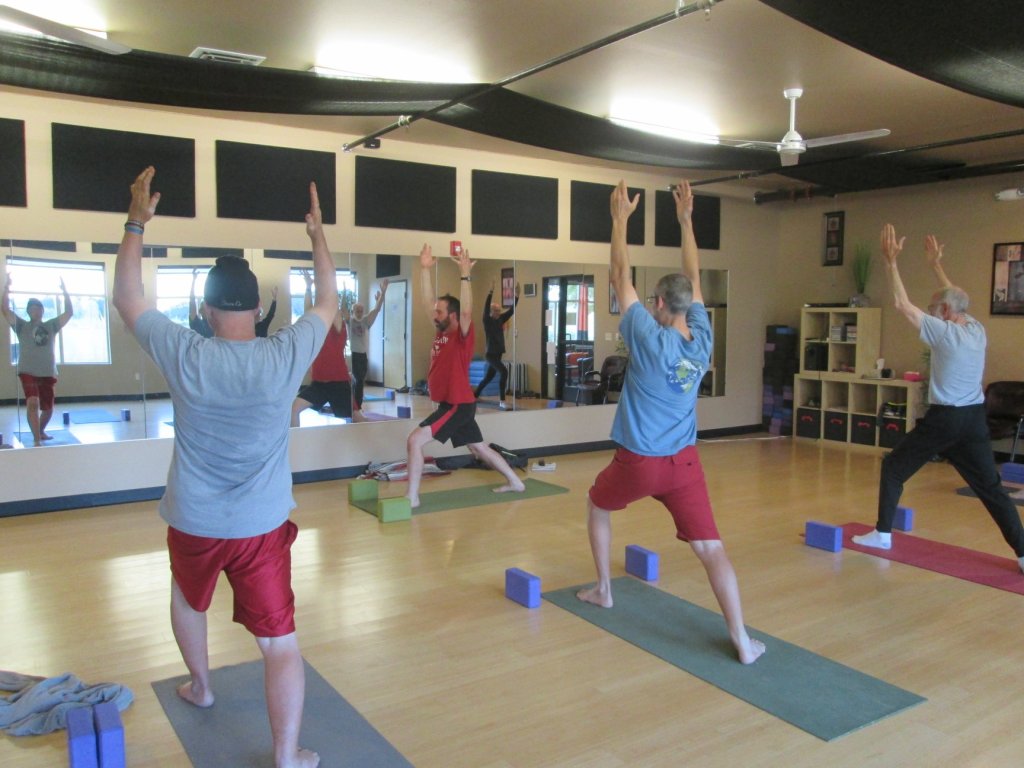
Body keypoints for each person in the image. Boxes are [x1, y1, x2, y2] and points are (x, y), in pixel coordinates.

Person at [113, 166, 336, 768]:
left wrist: (136, 220)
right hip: (260, 527)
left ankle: (202, 687)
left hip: (194, 518)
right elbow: (327, 301)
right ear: (260, 308)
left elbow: (128, 298)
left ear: (204, 309)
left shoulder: (184, 351)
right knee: (279, 645)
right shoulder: (286, 352)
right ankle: (287, 756)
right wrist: (317, 236)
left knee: (188, 599)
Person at [575, 180, 765, 666]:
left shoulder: (647, 335)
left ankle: (603, 589)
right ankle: (743, 640)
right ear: (686, 305)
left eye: (654, 300)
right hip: (684, 465)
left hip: (639, 462)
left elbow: (620, 274)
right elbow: (694, 277)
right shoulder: (702, 338)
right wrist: (685, 219)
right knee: (711, 548)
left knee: (598, 505)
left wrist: (619, 218)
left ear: (659, 304)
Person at [852, 225, 1024, 571]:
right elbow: (955, 297)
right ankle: (1023, 554)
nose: (929, 312)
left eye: (934, 308)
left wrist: (890, 263)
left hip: (946, 419)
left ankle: (883, 534)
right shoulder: (976, 329)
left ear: (944, 312)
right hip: (974, 418)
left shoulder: (944, 334)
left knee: (894, 466)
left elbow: (902, 303)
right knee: (990, 487)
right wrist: (935, 264)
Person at [405, 243, 526, 508]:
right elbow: (427, 302)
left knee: (415, 440)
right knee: (478, 447)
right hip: (457, 403)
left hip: (458, 404)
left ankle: (412, 497)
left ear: (453, 315)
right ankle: (515, 482)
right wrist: (425, 270)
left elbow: (469, 311)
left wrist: (464, 275)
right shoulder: (441, 331)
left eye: (440, 311)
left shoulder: (462, 335)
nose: (434, 314)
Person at [2, 274, 73, 446]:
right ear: (28, 311)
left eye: (39, 308)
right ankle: (35, 440)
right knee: (32, 402)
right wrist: (7, 288)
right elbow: (4, 309)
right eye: (33, 308)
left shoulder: (50, 325)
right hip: (27, 370)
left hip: (47, 371)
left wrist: (65, 292)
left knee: (47, 409)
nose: (36, 310)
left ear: (42, 311)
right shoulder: (22, 326)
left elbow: (69, 313)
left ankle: (40, 431)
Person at [291, 271, 353, 426]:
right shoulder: (316, 331)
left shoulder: (338, 329)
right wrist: (308, 287)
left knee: (351, 420)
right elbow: (308, 310)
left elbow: (334, 307)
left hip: (338, 383)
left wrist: (329, 285)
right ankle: (296, 441)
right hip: (318, 384)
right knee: (294, 409)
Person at [342, 279, 389, 420]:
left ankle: (356, 406)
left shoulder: (366, 321)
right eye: (357, 310)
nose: (359, 312)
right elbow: (342, 309)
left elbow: (377, 309)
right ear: (353, 311)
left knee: (360, 381)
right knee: (358, 381)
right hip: (355, 355)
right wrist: (344, 292)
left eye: (361, 310)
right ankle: (357, 407)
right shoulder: (349, 321)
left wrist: (383, 292)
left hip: (363, 356)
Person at [473, 279, 520, 410]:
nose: (499, 313)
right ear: (491, 311)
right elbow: (485, 307)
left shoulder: (500, 319)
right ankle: (502, 401)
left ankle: (475, 395)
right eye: (496, 310)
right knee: (504, 372)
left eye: (499, 311)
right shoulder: (487, 320)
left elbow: (511, 311)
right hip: (490, 354)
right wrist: (490, 291)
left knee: (489, 376)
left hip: (498, 354)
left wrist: (516, 297)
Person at [188, 269, 214, 338]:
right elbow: (192, 302)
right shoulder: (196, 323)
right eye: (205, 306)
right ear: (200, 310)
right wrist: (193, 280)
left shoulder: (215, 324)